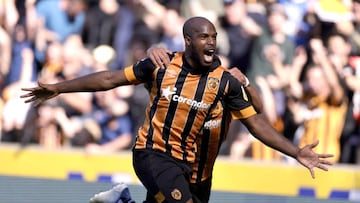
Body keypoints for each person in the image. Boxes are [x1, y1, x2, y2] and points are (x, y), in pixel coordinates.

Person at [21, 17, 333, 203]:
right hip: (152, 152)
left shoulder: (224, 82)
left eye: (214, 36)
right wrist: (59, 87)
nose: (211, 42)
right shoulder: (160, 64)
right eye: (204, 37)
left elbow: (257, 121)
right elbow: (109, 78)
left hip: (194, 168)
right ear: (187, 41)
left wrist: (295, 152)